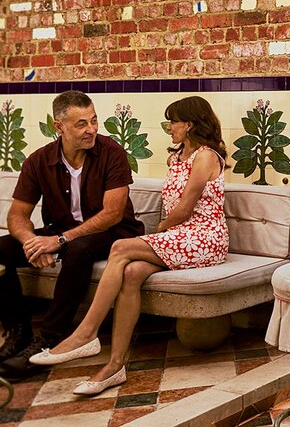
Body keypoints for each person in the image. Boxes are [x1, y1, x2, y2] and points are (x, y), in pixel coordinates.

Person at [29, 96, 229, 396]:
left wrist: (159, 231)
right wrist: (162, 234)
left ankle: (85, 333)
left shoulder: (206, 156)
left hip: (205, 237)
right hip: (181, 238)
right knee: (132, 272)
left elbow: (185, 209)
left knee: (121, 248)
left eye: (172, 122)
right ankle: (115, 367)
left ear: (189, 124)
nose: (169, 128)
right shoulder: (177, 157)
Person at [0, 91, 144, 380]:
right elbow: (16, 216)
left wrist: (60, 241)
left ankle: (51, 340)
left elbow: (113, 213)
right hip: (61, 234)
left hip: (114, 234)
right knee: (1, 248)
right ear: (59, 127)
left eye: (93, 120)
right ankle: (18, 331)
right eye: (81, 124)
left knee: (79, 248)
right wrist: (32, 243)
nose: (91, 129)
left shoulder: (111, 152)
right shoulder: (39, 161)